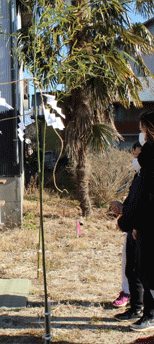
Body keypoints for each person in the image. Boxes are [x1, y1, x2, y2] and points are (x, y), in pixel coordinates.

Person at [118, 111, 154, 333]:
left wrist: (137, 223)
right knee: (140, 270)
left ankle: (149, 315)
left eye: (142, 129)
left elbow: (147, 199)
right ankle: (140, 310)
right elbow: (138, 196)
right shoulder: (145, 163)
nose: (140, 133)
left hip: (148, 225)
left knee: (148, 272)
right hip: (142, 224)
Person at [110, 142, 142, 308]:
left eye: (138, 156)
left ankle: (141, 304)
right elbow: (133, 203)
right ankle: (128, 294)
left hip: (142, 227)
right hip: (132, 226)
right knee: (129, 265)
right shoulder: (137, 176)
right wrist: (122, 208)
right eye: (134, 156)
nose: (135, 159)